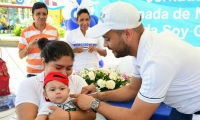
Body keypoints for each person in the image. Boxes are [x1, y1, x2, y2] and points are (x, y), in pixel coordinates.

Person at [71, 1, 200, 120]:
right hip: (184, 107)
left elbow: (137, 117)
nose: (105, 44)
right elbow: (132, 89)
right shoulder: (143, 46)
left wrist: (93, 104)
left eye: (108, 38)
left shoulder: (156, 60)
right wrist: (96, 96)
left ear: (128, 34)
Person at [16, 38, 95, 120]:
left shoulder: (77, 81)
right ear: (43, 62)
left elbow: (92, 114)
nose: (64, 73)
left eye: (68, 68)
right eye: (58, 67)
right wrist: (77, 115)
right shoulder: (29, 85)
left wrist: (67, 116)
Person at [18, 2, 59, 78]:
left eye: (44, 14)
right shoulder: (26, 32)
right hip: (32, 73)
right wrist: (29, 46)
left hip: (50, 72)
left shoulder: (54, 31)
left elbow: (59, 53)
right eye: (38, 14)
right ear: (33, 15)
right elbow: (21, 55)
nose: (41, 16)